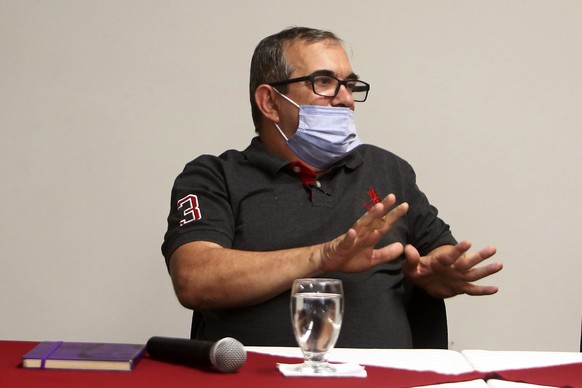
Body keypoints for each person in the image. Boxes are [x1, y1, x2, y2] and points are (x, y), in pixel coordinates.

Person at [161, 27, 503, 349]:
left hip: (386, 383)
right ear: (270, 103)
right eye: (323, 82)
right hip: (256, 380)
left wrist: (436, 275)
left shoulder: (388, 170)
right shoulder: (214, 177)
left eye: (349, 85)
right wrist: (324, 256)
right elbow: (195, 278)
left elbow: (436, 256)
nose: (346, 100)